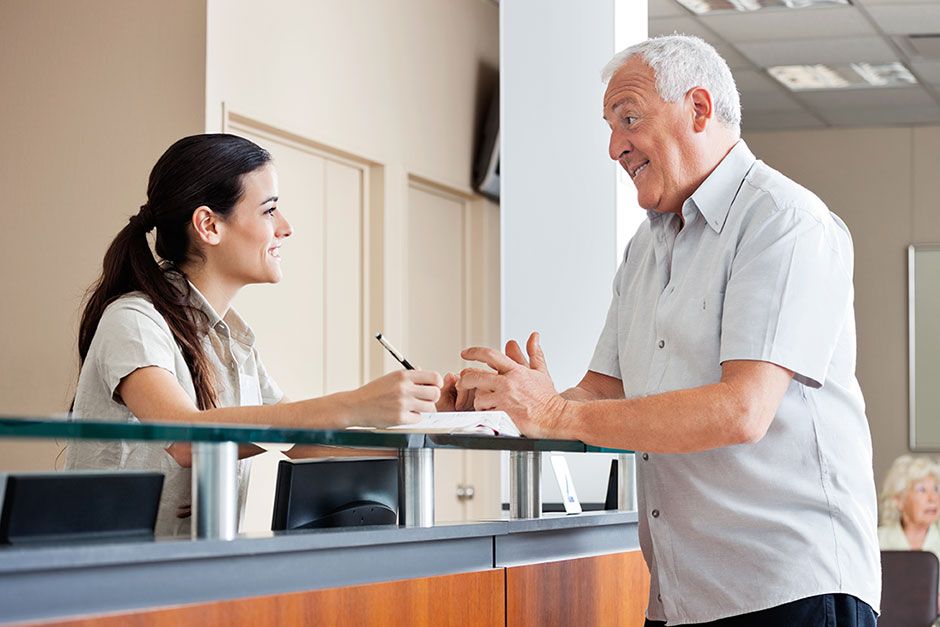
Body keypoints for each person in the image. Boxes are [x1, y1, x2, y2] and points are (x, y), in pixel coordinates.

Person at [457, 35, 880, 625]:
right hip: (681, 595)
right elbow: (600, 394)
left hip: (788, 590)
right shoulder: (646, 247)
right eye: (610, 127)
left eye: (629, 119)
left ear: (699, 109)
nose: (614, 147)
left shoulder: (785, 222)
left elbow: (742, 411)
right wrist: (508, 403)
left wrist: (555, 413)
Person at [66, 134, 447, 536]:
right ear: (209, 225)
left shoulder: (235, 342)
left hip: (192, 564)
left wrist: (433, 418)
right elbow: (185, 438)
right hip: (111, 567)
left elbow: (302, 443)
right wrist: (353, 404)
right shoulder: (133, 320)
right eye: (269, 210)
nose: (286, 228)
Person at [879, 455, 940, 556]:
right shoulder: (878, 540)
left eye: (936, 489)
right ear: (899, 500)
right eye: (921, 490)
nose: (932, 498)